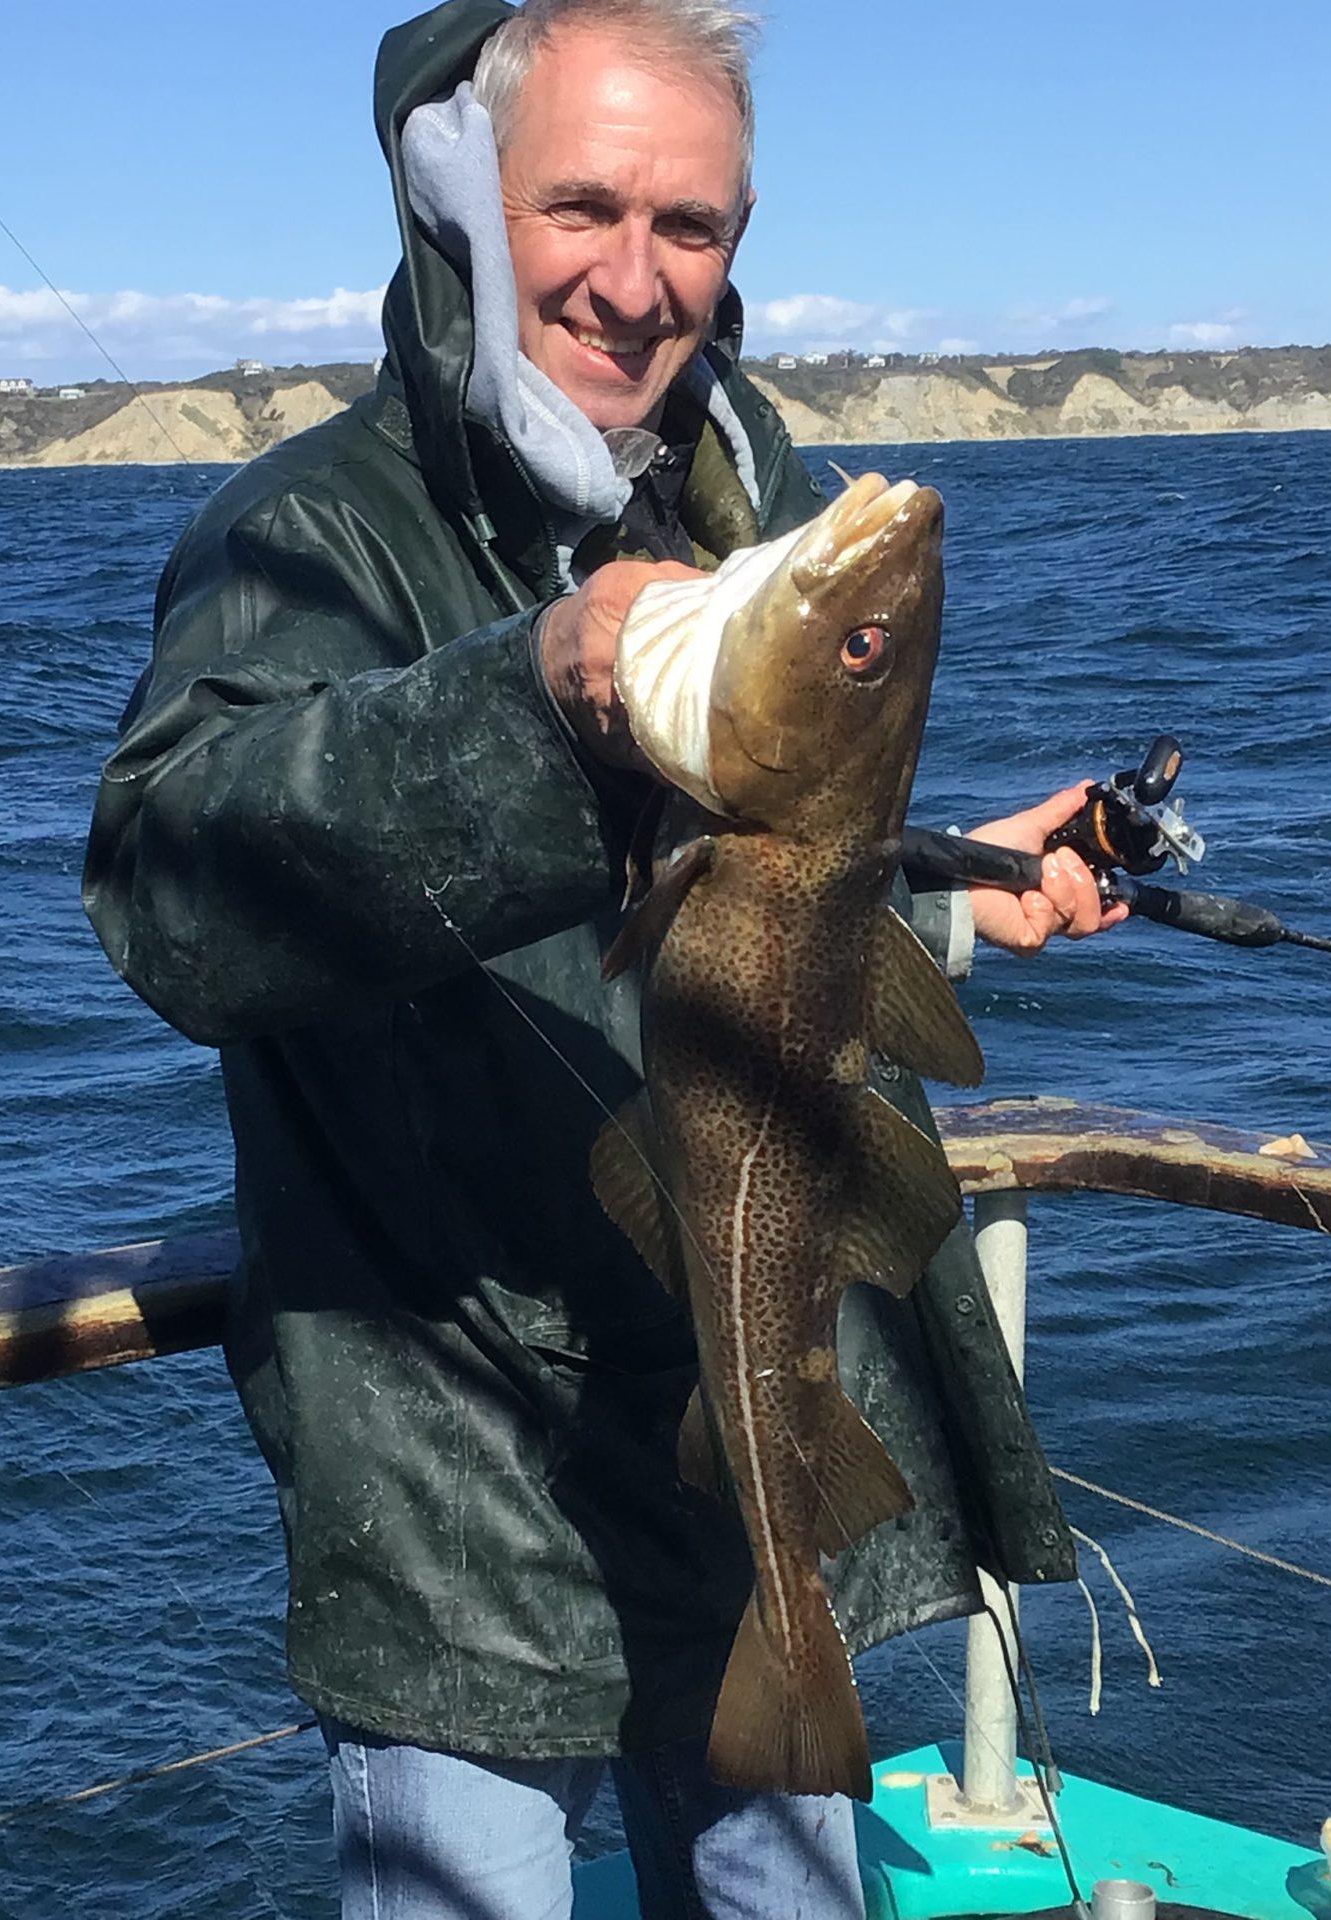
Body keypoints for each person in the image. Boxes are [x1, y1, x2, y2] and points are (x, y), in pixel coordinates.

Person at [82, 2, 1121, 1913]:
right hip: (464, 1482)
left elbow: (764, 891)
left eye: (694, 226)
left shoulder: (757, 508)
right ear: (471, 204)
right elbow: (171, 885)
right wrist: (534, 695)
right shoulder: (305, 535)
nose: (638, 283)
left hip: (744, 1445)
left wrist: (957, 894)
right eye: (584, 207)